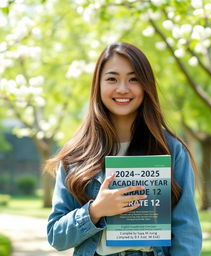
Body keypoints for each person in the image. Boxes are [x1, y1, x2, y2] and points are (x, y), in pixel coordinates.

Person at [46, 42, 202, 256]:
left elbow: (187, 231)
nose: (122, 88)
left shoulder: (171, 150)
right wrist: (95, 211)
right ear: (98, 85)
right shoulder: (76, 154)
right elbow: (56, 236)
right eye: (112, 79)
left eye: (134, 79)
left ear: (146, 85)